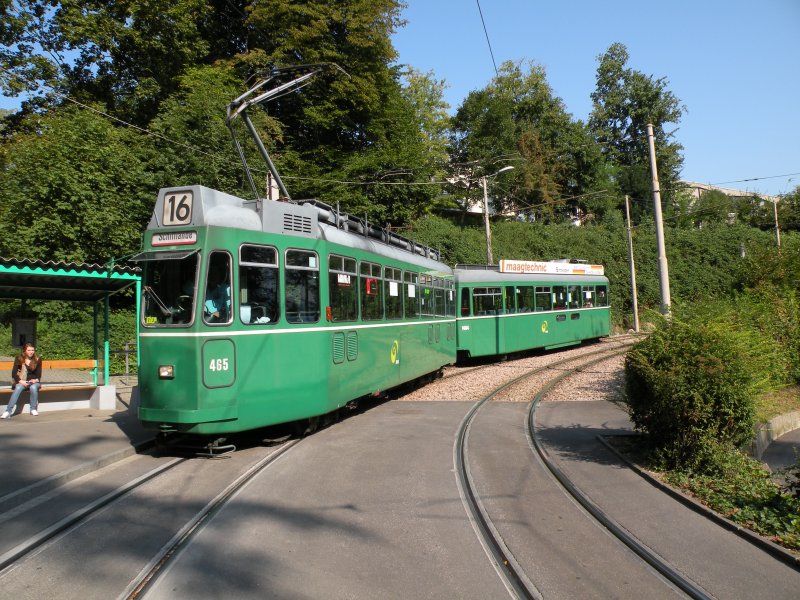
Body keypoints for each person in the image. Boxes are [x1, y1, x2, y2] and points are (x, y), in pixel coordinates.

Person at [2, 343, 42, 418]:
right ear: (24, 351)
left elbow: (39, 374)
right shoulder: (19, 359)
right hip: (22, 381)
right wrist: (21, 381)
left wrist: (35, 380)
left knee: (33, 387)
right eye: (29, 350)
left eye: (32, 350)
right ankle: (8, 411)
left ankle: (33, 409)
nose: (31, 352)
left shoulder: (38, 359)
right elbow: (14, 373)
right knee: (18, 387)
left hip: (34, 382)